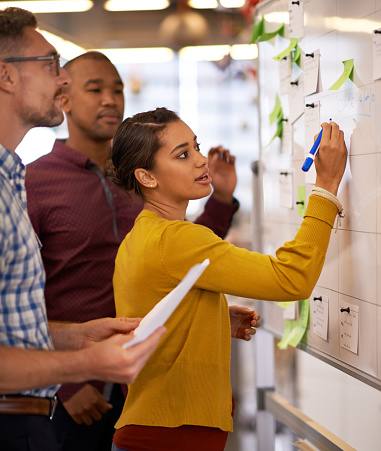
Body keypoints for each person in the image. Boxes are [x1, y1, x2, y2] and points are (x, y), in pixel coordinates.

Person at [25, 51, 260, 450]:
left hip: (151, 379)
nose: (110, 99)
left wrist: (220, 199)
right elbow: (22, 289)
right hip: (80, 388)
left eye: (117, 89)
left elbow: (188, 259)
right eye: (95, 89)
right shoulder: (36, 180)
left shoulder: (141, 178)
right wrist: (67, 383)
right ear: (63, 98)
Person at [106, 107, 348, 451]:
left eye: (196, 146)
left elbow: (152, 322)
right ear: (147, 177)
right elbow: (291, 279)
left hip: (155, 430)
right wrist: (325, 188)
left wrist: (211, 318)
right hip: (170, 437)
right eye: (183, 154)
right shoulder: (177, 239)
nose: (202, 160)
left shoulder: (141, 236)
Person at [0, 8, 166, 451]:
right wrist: (77, 371)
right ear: (6, 76)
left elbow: (16, 321)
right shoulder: (31, 180)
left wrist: (78, 336)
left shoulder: (10, 178)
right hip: (37, 411)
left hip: (66, 406)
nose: (61, 81)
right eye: (51, 65)